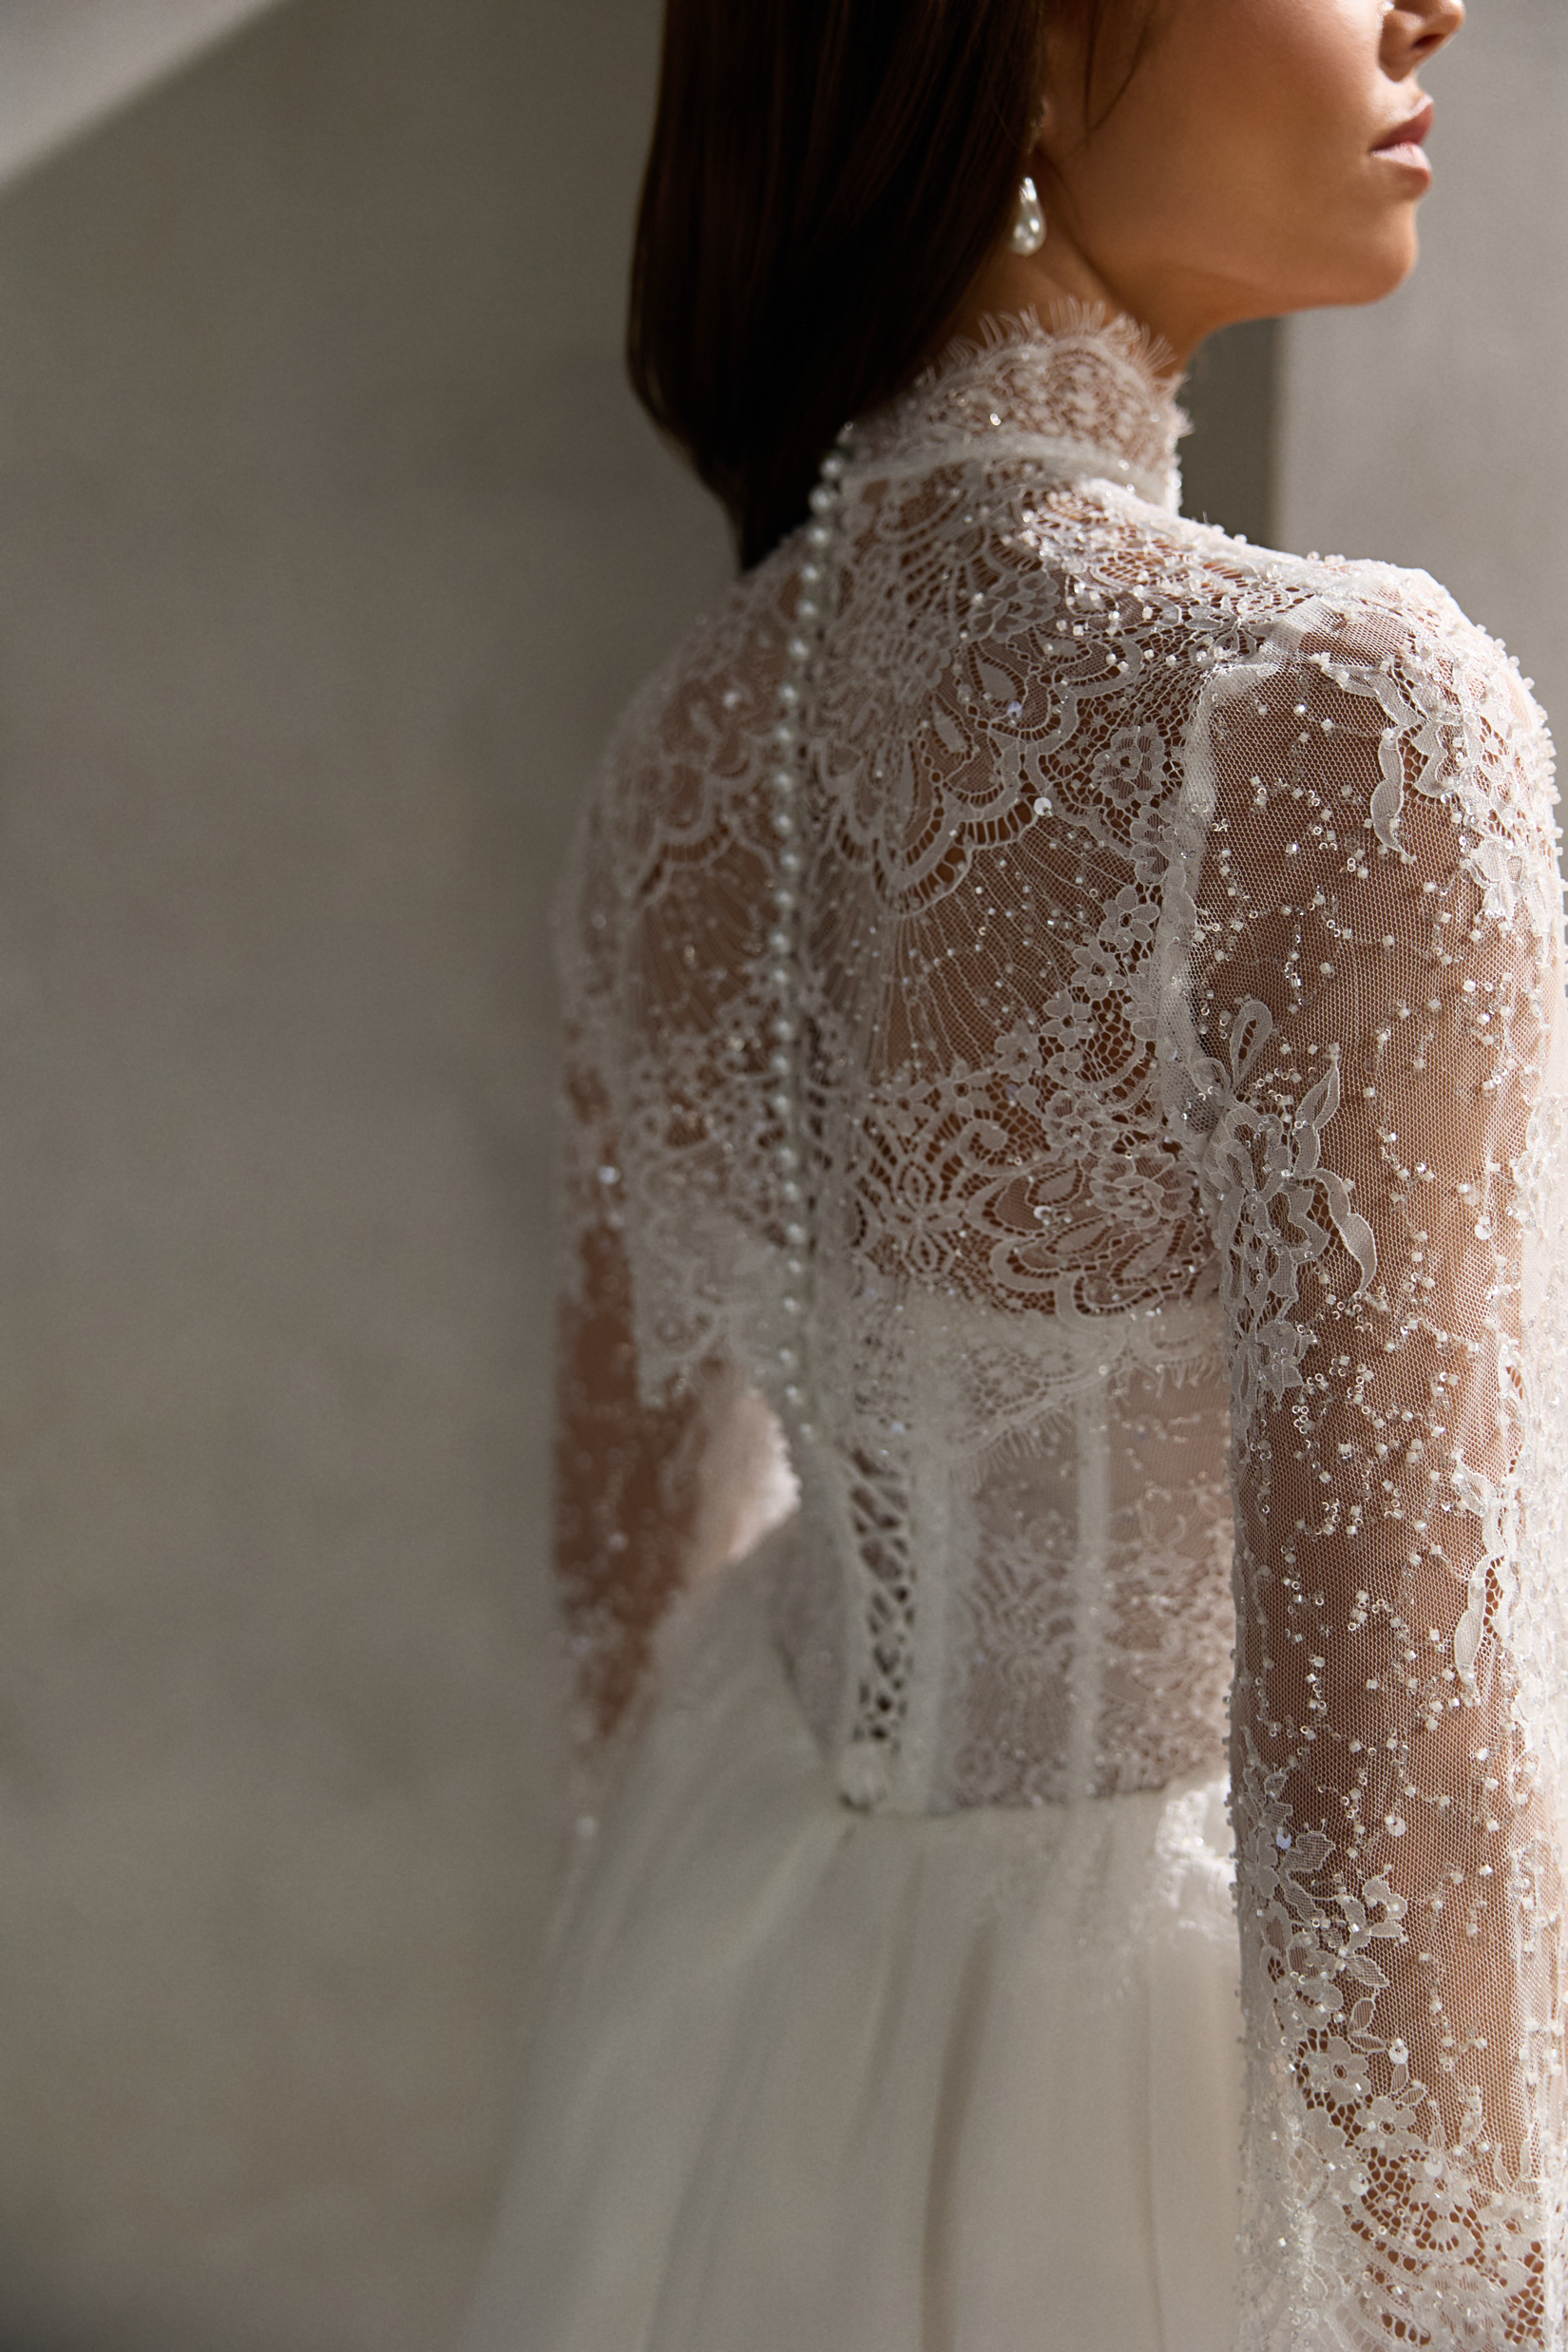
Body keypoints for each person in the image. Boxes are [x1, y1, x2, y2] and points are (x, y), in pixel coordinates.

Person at [463, 0, 1568, 2342]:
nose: (1431, 4)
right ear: (1031, 54)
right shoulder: (1323, 722)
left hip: (738, 2030)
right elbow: (1397, 1788)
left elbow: (622, 1589)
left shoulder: (670, 764)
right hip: (1152, 2136)